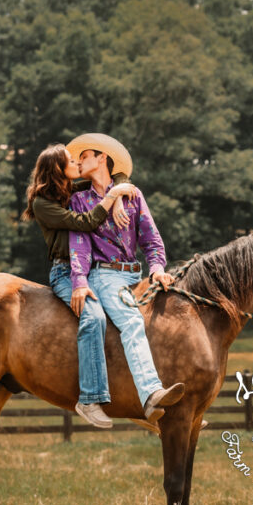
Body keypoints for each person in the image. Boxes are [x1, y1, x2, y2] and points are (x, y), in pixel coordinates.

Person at [66, 134, 185, 424]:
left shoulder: (132, 195)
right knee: (132, 323)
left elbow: (151, 239)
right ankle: (151, 395)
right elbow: (79, 245)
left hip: (137, 275)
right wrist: (80, 280)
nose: (80, 161)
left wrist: (157, 268)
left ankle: (183, 411)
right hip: (106, 275)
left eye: (85, 155)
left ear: (102, 158)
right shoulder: (79, 200)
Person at [21, 143, 134, 429]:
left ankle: (138, 394)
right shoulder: (43, 204)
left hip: (95, 268)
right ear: (58, 169)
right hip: (65, 271)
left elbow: (116, 176)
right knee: (93, 317)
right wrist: (112, 199)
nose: (77, 163)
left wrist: (117, 195)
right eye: (71, 161)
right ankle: (89, 397)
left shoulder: (73, 189)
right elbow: (84, 223)